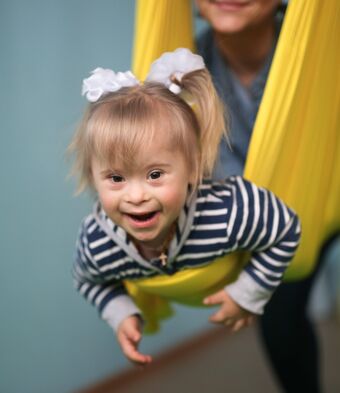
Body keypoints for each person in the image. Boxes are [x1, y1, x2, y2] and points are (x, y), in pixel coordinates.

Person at [69, 48, 300, 366]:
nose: (136, 196)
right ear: (94, 179)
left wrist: (248, 293)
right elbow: (87, 279)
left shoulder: (230, 212)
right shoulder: (97, 242)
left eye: (154, 175)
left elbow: (287, 228)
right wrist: (120, 313)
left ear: (193, 168)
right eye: (116, 178)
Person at [195, 1, 324, 391]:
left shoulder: (319, 45)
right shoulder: (185, 68)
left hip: (329, 188)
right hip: (271, 220)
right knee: (279, 319)